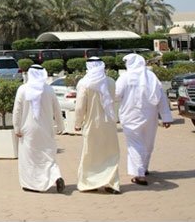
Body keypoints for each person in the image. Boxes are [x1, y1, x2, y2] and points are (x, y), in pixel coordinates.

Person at [115, 53, 172, 186]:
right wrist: (166, 117)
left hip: (131, 116)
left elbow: (116, 95)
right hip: (150, 116)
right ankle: (142, 168)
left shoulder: (125, 77)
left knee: (136, 144)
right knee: (147, 143)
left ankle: (140, 174)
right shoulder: (151, 77)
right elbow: (162, 97)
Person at [12, 64, 66, 193]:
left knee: (29, 158)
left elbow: (17, 111)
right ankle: (56, 176)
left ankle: (31, 184)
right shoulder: (49, 90)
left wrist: (16, 128)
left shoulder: (23, 89)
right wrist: (60, 126)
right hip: (46, 129)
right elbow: (57, 110)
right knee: (48, 156)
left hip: (28, 130)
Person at [74, 57, 120, 194]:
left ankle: (90, 183)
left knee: (90, 154)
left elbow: (80, 107)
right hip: (109, 124)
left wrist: (77, 123)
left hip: (92, 123)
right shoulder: (111, 82)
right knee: (110, 153)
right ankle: (111, 184)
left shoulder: (84, 83)